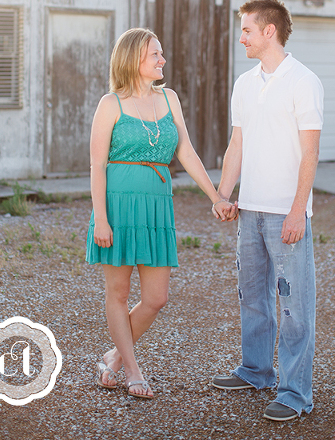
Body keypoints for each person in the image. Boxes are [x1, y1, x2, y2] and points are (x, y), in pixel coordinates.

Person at [86, 27, 236, 399]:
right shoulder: (111, 104)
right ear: (134, 59)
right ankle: (133, 370)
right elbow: (95, 165)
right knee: (117, 293)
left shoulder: (169, 99)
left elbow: (186, 152)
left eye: (161, 54)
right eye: (155, 54)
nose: (162, 60)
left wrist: (216, 196)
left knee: (156, 298)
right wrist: (100, 219)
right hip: (118, 205)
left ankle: (114, 357)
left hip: (156, 205)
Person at [211, 0, 324, 422]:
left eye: (246, 31)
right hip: (250, 210)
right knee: (253, 297)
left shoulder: (303, 81)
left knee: (295, 306)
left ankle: (296, 394)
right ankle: (256, 370)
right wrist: (223, 194)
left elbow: (311, 152)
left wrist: (299, 210)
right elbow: (236, 144)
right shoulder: (245, 83)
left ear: (268, 31)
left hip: (286, 213)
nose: (241, 38)